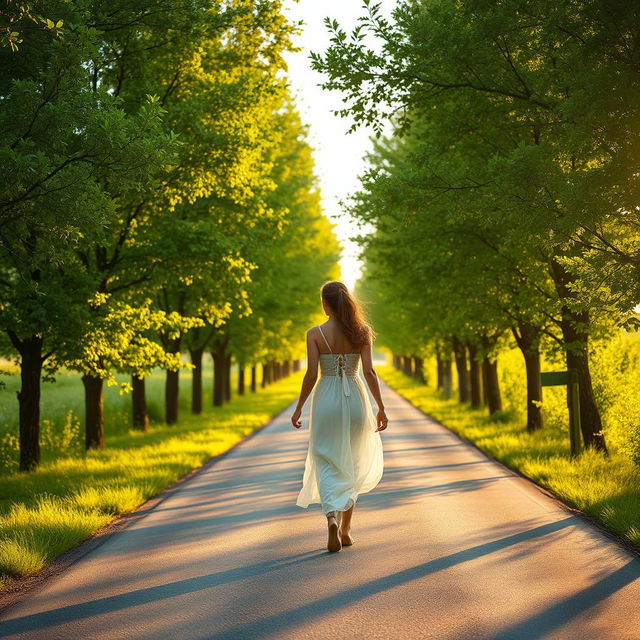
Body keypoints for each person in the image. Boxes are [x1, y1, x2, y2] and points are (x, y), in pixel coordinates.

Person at [291, 280, 387, 552]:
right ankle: (345, 531)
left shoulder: (314, 333)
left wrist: (299, 407)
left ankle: (331, 517)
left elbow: (311, 374)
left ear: (325, 303)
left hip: (327, 399)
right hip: (355, 398)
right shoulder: (362, 331)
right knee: (353, 461)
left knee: (324, 457)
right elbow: (369, 372)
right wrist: (380, 406)